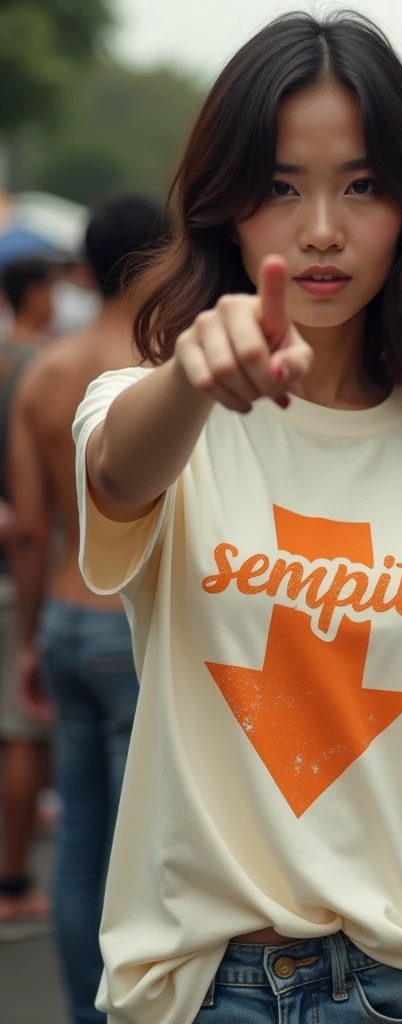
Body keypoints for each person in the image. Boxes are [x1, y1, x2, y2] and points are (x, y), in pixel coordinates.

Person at [74, 13, 402, 1024]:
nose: (320, 230)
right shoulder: (156, 411)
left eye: (361, 184)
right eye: (278, 188)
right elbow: (119, 475)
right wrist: (193, 377)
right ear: (225, 210)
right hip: (199, 991)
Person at [8, 193, 169, 1023]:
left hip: (66, 620)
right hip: (126, 627)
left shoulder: (46, 370)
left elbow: (33, 531)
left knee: (76, 846)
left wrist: (33, 636)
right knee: (135, 850)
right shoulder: (159, 369)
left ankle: (83, 1013)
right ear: (156, 262)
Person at [0, 261, 54, 929]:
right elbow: (36, 518)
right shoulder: (43, 367)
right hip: (21, 576)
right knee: (22, 733)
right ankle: (11, 880)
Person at [0, 257, 57, 347]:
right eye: (50, 290)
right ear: (34, 295)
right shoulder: (45, 351)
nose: (54, 298)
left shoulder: (6, 343)